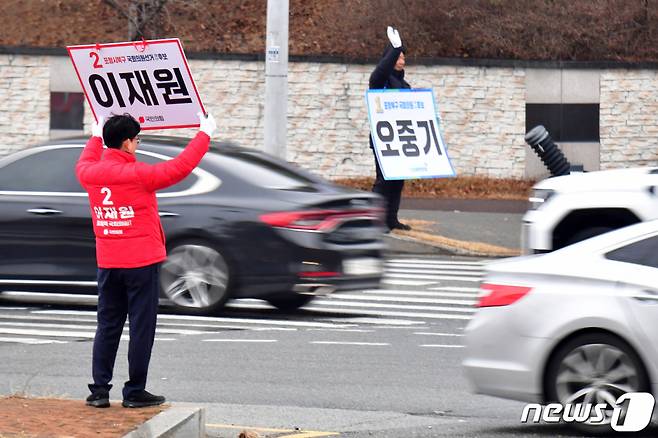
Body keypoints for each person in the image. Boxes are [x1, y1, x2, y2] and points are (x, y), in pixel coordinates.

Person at [77, 111, 217, 408]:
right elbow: (180, 168)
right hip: (140, 262)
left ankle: (99, 391)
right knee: (141, 327)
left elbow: (86, 159)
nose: (137, 145)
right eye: (137, 140)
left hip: (108, 261)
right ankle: (134, 391)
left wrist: (94, 137)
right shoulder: (139, 174)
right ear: (127, 143)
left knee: (108, 325)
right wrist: (204, 135)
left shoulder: (88, 172)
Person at [369, 26, 412, 231]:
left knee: (397, 182)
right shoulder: (380, 81)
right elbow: (380, 70)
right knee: (384, 181)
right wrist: (395, 47)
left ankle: (391, 219)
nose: (402, 60)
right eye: (398, 57)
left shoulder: (405, 85)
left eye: (403, 57)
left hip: (401, 138)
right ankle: (372, 220)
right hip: (384, 138)